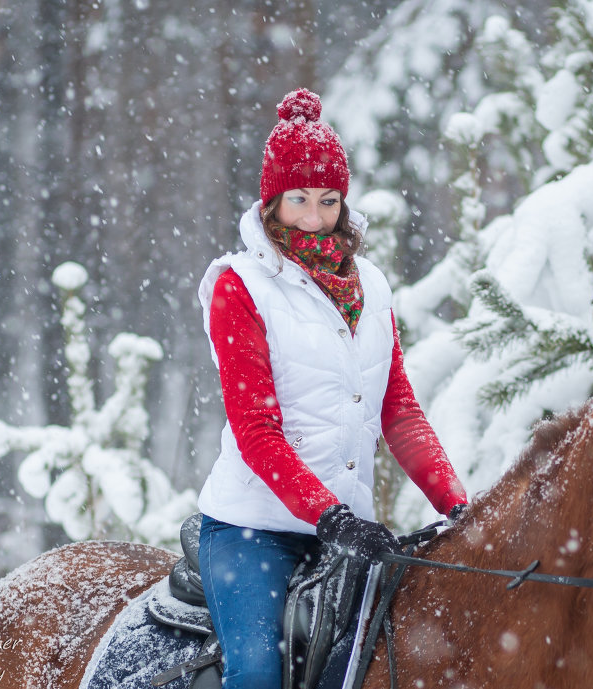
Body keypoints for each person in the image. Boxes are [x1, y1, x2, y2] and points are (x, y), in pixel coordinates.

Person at [195, 87, 469, 689]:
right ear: (272, 204)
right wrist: (331, 516)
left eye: (328, 200)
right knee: (259, 673)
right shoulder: (240, 288)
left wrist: (457, 505)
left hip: (349, 535)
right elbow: (257, 432)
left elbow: (399, 413)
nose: (314, 218)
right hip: (253, 528)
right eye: (298, 200)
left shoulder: (370, 286)